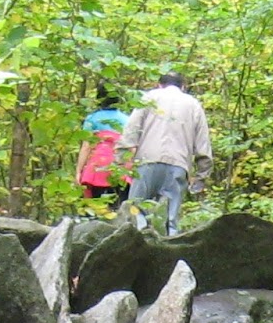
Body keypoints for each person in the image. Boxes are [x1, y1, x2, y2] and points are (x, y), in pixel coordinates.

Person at [118, 72, 212, 234]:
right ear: (183, 87)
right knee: (170, 221)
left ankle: (137, 247)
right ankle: (169, 252)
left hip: (147, 162)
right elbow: (203, 142)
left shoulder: (149, 98)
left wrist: (122, 158)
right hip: (178, 164)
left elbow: (131, 129)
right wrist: (202, 174)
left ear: (159, 84)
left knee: (136, 212)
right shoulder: (193, 104)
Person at [77, 96, 126, 202]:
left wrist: (79, 171)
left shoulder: (92, 118)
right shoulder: (126, 119)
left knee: (96, 207)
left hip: (97, 168)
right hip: (120, 167)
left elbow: (86, 147)